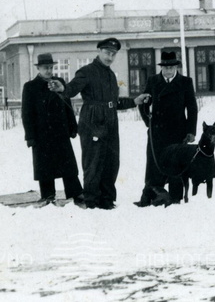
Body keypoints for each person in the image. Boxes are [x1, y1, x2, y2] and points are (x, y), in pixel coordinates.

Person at [50, 38, 146, 209]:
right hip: (92, 121)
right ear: (99, 51)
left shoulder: (110, 75)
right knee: (93, 162)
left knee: (111, 162)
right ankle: (92, 201)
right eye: (107, 53)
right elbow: (71, 89)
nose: (110, 57)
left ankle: (107, 200)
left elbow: (113, 103)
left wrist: (134, 101)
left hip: (110, 122)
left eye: (113, 54)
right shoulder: (87, 71)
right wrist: (62, 88)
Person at [135, 50, 198, 207]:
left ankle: (175, 198)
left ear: (176, 67)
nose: (168, 70)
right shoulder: (153, 81)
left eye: (172, 67)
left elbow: (192, 108)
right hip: (157, 132)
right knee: (153, 163)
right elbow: (143, 104)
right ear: (161, 67)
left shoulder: (186, 82)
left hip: (178, 131)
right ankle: (149, 197)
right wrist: (147, 122)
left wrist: (191, 131)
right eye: (165, 67)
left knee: (175, 164)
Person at [21, 53, 85, 208]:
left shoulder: (60, 83)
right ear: (38, 68)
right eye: (45, 68)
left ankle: (76, 193)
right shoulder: (30, 87)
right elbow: (26, 114)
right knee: (45, 166)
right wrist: (30, 136)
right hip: (41, 133)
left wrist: (72, 126)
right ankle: (48, 195)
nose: (48, 71)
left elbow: (68, 106)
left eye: (50, 67)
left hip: (60, 132)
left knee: (68, 164)